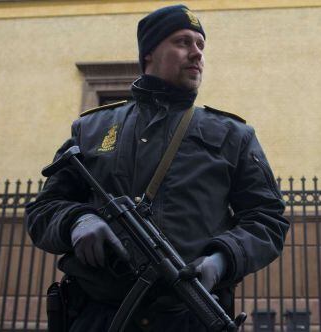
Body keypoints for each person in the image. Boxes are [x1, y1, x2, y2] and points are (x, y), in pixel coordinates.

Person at [26, 4, 288, 331]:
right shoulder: (92, 129)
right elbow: (42, 211)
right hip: (99, 315)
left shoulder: (233, 135)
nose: (197, 54)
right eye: (183, 42)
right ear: (149, 53)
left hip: (189, 317)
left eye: (200, 45)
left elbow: (268, 219)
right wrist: (77, 221)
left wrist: (223, 259)